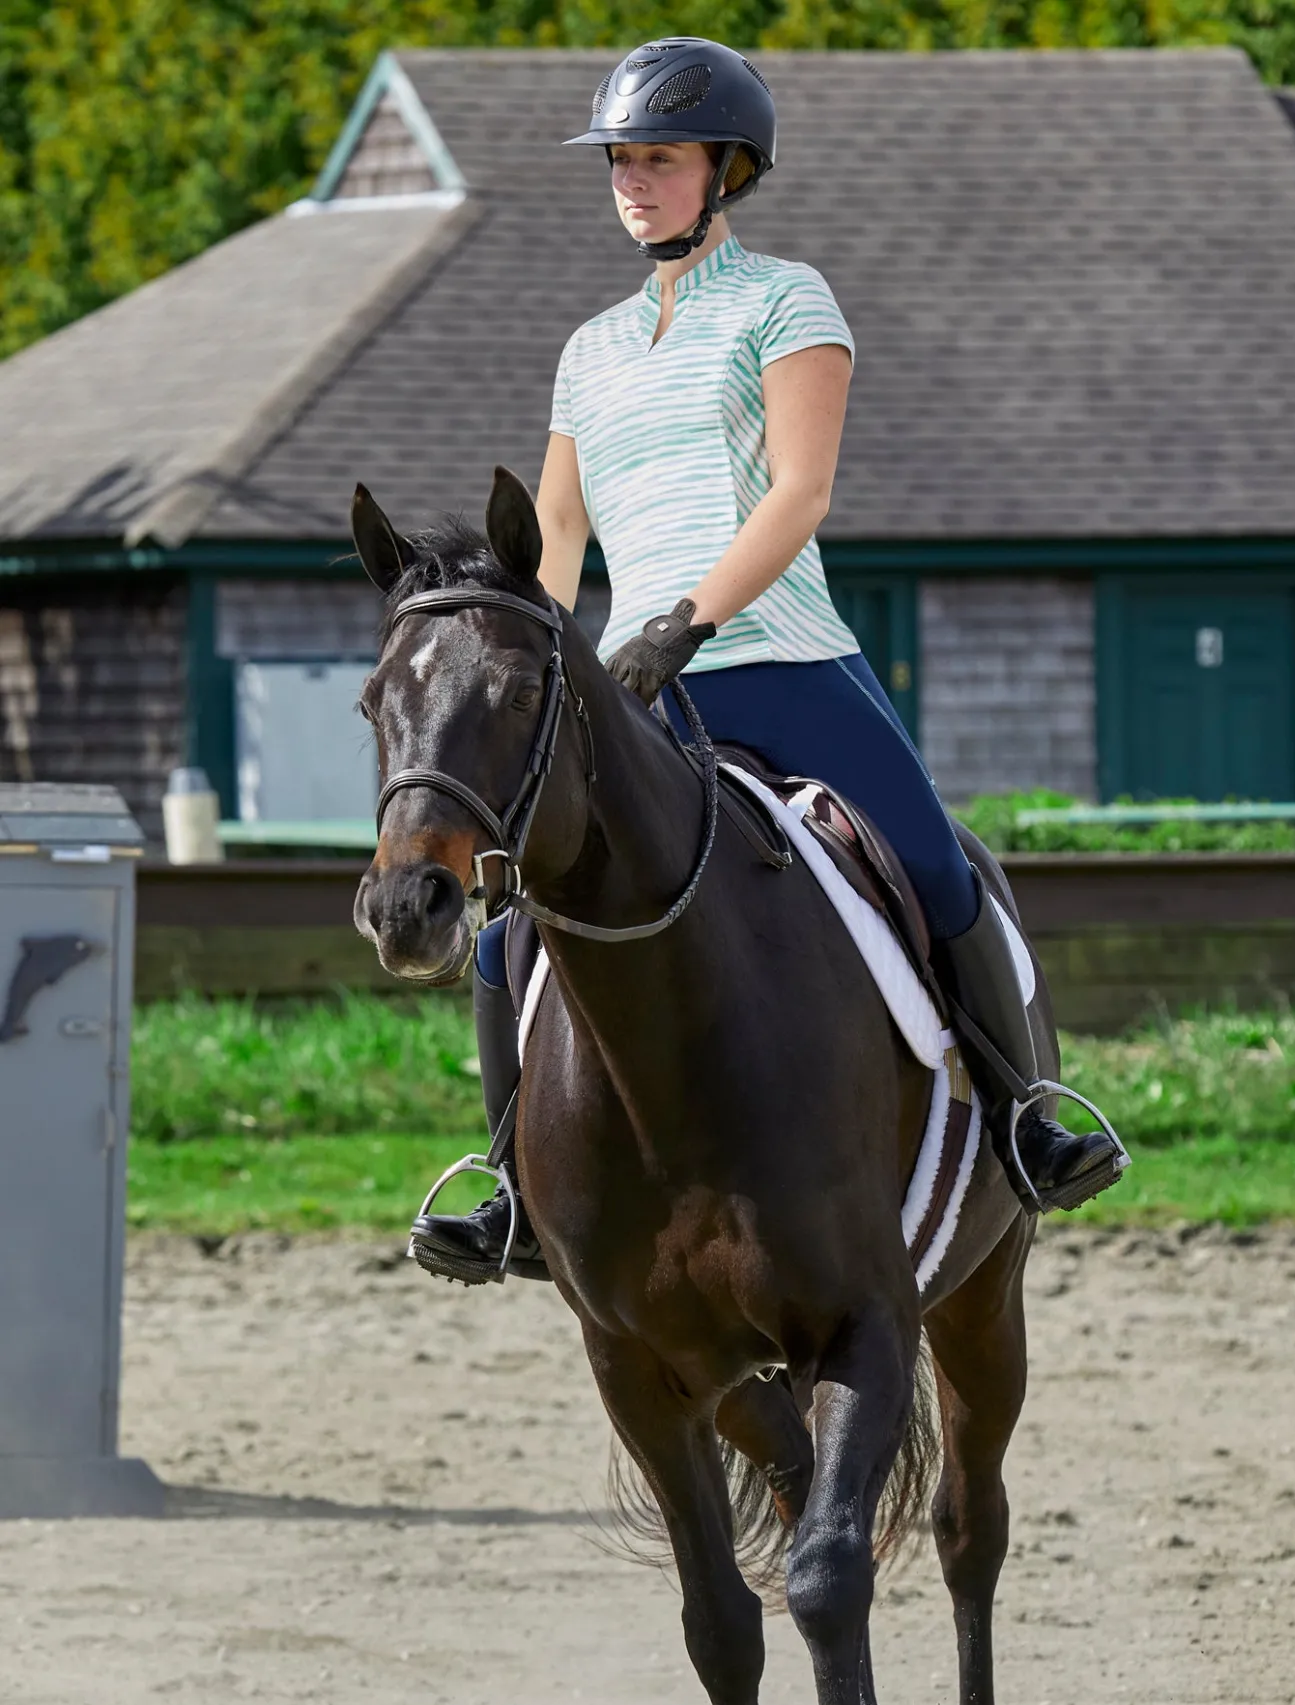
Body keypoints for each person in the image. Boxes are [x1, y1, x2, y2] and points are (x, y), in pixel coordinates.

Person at [409, 37, 1124, 1285]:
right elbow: (561, 536)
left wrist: (684, 619)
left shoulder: (787, 301)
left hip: (779, 657)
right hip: (627, 692)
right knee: (505, 923)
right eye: (620, 160)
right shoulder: (588, 349)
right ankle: (508, 1183)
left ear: (725, 170)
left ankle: (1025, 1114)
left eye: (659, 159)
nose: (632, 181)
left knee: (935, 868)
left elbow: (798, 492)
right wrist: (543, 663)